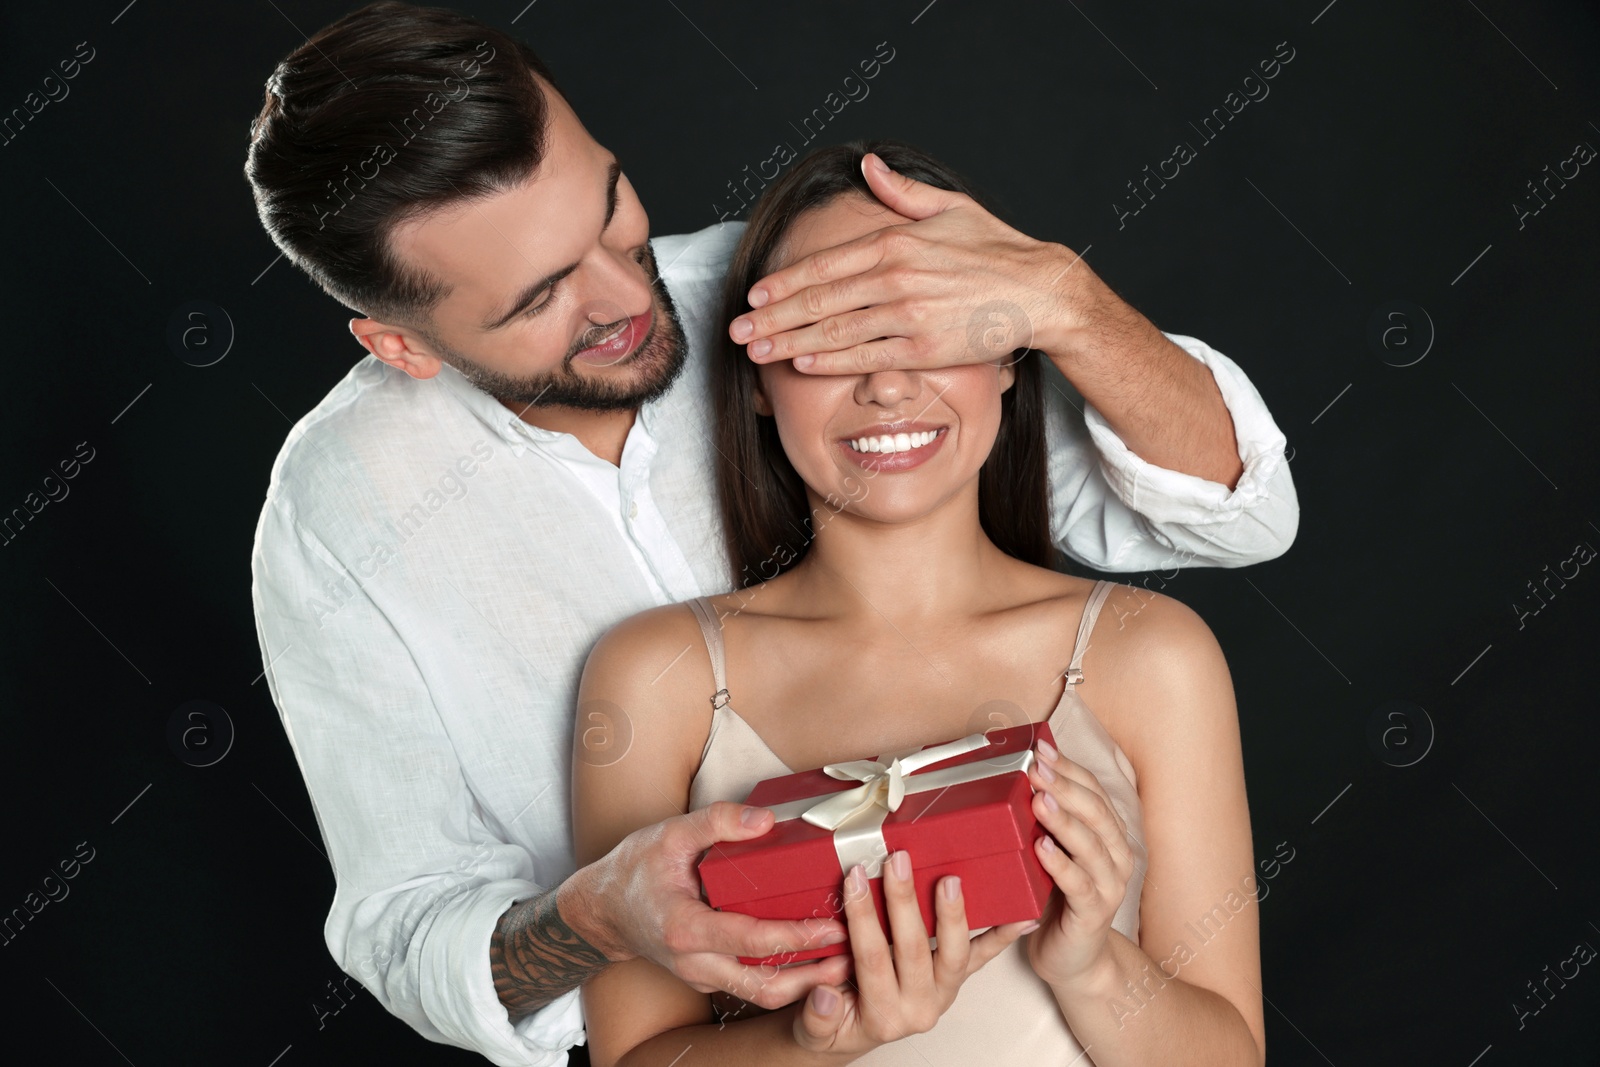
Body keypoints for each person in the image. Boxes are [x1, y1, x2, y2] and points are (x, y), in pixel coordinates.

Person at [244, 3, 1295, 1063]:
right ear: (402, 343)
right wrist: (601, 917)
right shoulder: (340, 516)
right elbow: (407, 920)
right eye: (543, 296)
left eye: (612, 211)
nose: (627, 297)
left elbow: (1230, 500)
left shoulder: (799, 297)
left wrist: (1065, 302)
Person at [573, 141, 1266, 1066]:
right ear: (760, 391)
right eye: (829, 337)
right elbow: (636, 1056)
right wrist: (817, 1039)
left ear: (1013, 355)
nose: (888, 384)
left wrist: (1093, 966)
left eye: (926, 329)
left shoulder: (1153, 654)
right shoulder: (655, 675)